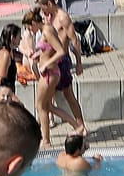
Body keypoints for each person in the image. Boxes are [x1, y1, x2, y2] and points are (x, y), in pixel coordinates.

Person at [22, 8, 82, 147]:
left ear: (34, 22)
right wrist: (38, 54)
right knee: (47, 106)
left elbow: (61, 51)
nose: (30, 30)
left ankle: (46, 141)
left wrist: (46, 64)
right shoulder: (46, 30)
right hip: (50, 73)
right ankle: (77, 127)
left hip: (49, 74)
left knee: (41, 106)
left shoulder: (47, 31)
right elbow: (51, 49)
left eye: (29, 27)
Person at [0, 24, 21, 105]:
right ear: (12, 37)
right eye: (19, 36)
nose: (20, 39)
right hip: (2, 94)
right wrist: (13, 97)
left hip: (4, 93)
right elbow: (2, 79)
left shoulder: (5, 52)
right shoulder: (5, 55)